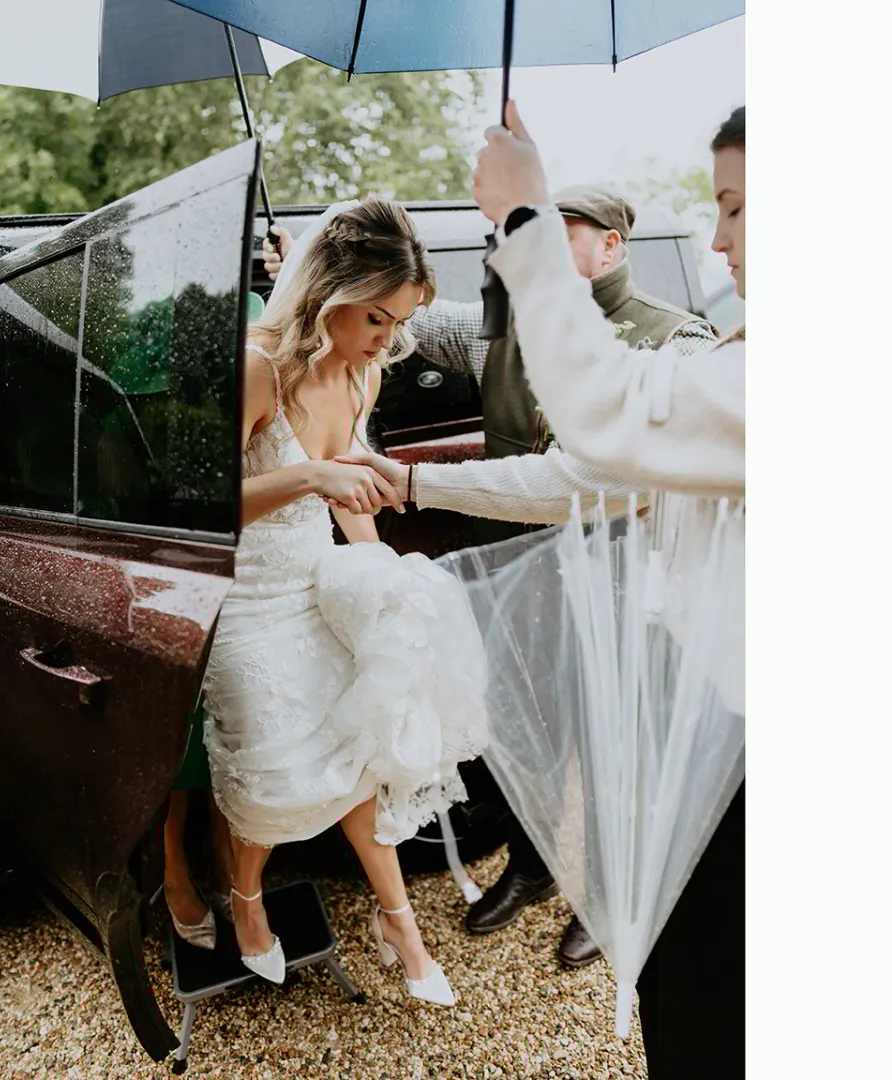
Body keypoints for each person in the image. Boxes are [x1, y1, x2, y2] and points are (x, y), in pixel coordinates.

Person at [339, 105, 747, 1078]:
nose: (720, 237)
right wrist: (412, 483)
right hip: (705, 727)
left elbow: (606, 420)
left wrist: (523, 218)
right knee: (683, 986)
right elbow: (578, 473)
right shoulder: (740, 362)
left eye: (736, 207)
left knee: (715, 1001)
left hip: (744, 753)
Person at [261, 185, 720, 968]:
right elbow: (379, 312)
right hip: (513, 573)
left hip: (617, 585)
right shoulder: (493, 330)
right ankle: (534, 868)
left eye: (559, 236)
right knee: (517, 723)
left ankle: (605, 899)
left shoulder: (677, 341)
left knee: (612, 743)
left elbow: (604, 470)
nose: (529, 255)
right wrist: (301, 261)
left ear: (611, 247)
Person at [201, 197, 488, 1008]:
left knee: (363, 745)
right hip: (247, 601)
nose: (385, 341)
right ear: (330, 292)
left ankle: (400, 921)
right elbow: (200, 508)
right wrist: (309, 475)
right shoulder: (257, 366)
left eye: (397, 323)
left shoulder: (360, 372)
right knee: (275, 769)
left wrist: (378, 572)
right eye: (374, 318)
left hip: (316, 584)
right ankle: (248, 900)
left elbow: (351, 498)